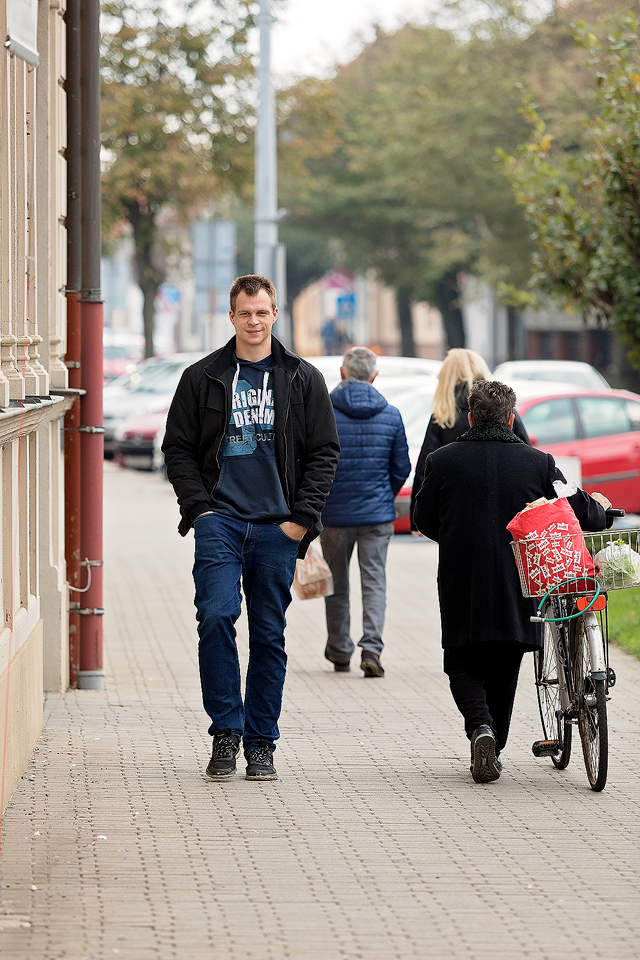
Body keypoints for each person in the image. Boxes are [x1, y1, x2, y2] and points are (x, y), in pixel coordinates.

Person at [162, 275, 340, 782]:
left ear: (275, 314)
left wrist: (300, 521)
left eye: (263, 313)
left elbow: (325, 451)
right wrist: (199, 510)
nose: (255, 322)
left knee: (268, 634)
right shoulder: (204, 376)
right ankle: (225, 732)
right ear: (233, 317)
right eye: (246, 314)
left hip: (275, 529)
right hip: (220, 521)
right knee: (216, 618)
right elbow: (177, 447)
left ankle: (261, 742)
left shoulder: (303, 378)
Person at [413, 380, 612, 784]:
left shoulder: (443, 460)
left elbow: (422, 518)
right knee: (507, 660)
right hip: (520, 576)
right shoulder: (538, 462)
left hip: (461, 574)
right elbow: (573, 506)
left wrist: (453, 537)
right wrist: (603, 513)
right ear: (510, 418)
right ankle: (495, 741)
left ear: (470, 417)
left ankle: (480, 730)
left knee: (462, 661)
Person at [320, 347, 411, 677]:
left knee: (336, 584)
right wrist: (382, 494)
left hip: (334, 515)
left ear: (343, 373)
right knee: (374, 583)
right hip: (376, 516)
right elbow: (401, 466)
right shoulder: (391, 414)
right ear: (374, 376)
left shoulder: (324, 412)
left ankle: (340, 650)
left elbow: (312, 462)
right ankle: (371, 648)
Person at [410, 348, 530, 532]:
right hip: (504, 504)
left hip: (456, 508)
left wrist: (416, 517)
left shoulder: (443, 413)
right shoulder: (502, 407)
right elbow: (525, 451)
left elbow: (425, 468)